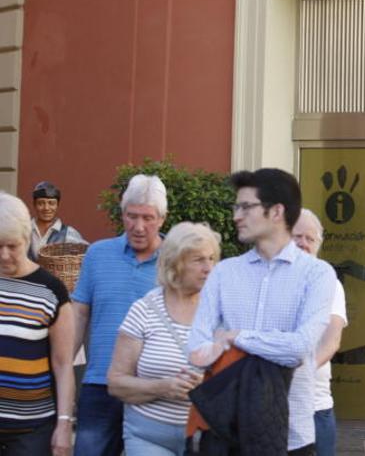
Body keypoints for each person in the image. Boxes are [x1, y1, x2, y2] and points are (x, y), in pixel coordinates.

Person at [187, 168, 336, 455]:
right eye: (236, 206)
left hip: (291, 434)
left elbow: (299, 348)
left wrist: (234, 337)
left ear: (276, 211)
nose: (236, 216)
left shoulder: (317, 274)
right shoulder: (224, 273)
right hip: (224, 430)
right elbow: (195, 349)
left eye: (246, 206)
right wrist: (268, 345)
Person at [71, 174, 167, 456]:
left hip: (154, 388)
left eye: (148, 218)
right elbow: (79, 316)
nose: (138, 227)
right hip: (100, 385)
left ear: (162, 218)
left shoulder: (177, 258)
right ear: (122, 214)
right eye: (131, 216)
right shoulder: (97, 254)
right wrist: (62, 370)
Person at [107, 222, 220, 456]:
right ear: (175, 263)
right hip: (148, 438)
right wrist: (164, 387)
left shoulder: (223, 313)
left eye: (212, 259)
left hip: (206, 439)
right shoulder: (144, 310)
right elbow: (116, 383)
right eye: (199, 260)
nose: (209, 268)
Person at [0, 191, 75, 455]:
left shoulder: (52, 290)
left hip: (32, 431)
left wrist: (64, 424)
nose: (5, 255)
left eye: (12, 245)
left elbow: (64, 365)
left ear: (26, 238)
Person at [292, 209, 348, 456]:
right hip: (272, 405)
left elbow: (332, 340)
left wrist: (301, 370)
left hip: (315, 406)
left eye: (310, 238)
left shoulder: (329, 284)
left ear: (318, 245)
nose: (303, 243)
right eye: (297, 236)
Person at [28, 181, 88, 261]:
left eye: (51, 203)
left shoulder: (68, 233)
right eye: (41, 203)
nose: (46, 208)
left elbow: (87, 255)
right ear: (34, 205)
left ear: (57, 205)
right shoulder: (23, 231)